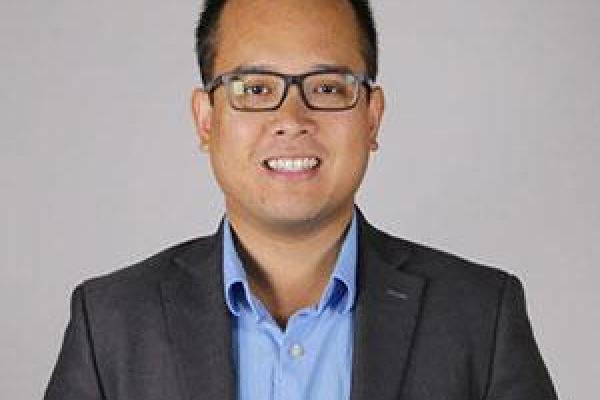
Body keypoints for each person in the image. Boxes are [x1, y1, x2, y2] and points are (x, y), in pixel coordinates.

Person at [44, 1, 559, 399]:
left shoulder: (480, 315)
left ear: (372, 118)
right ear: (206, 120)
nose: (292, 117)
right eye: (254, 88)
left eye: (329, 88)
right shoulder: (110, 323)